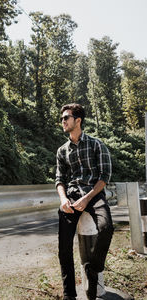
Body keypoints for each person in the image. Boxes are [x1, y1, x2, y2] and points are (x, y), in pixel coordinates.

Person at [55, 103, 114, 300]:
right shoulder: (62, 151)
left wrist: (87, 198)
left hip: (94, 194)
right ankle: (69, 295)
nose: (62, 121)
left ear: (77, 120)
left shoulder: (97, 144)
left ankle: (93, 268)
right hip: (71, 197)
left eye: (66, 118)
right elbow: (59, 180)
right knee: (64, 248)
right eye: (62, 118)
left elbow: (104, 176)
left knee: (107, 227)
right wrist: (64, 199)